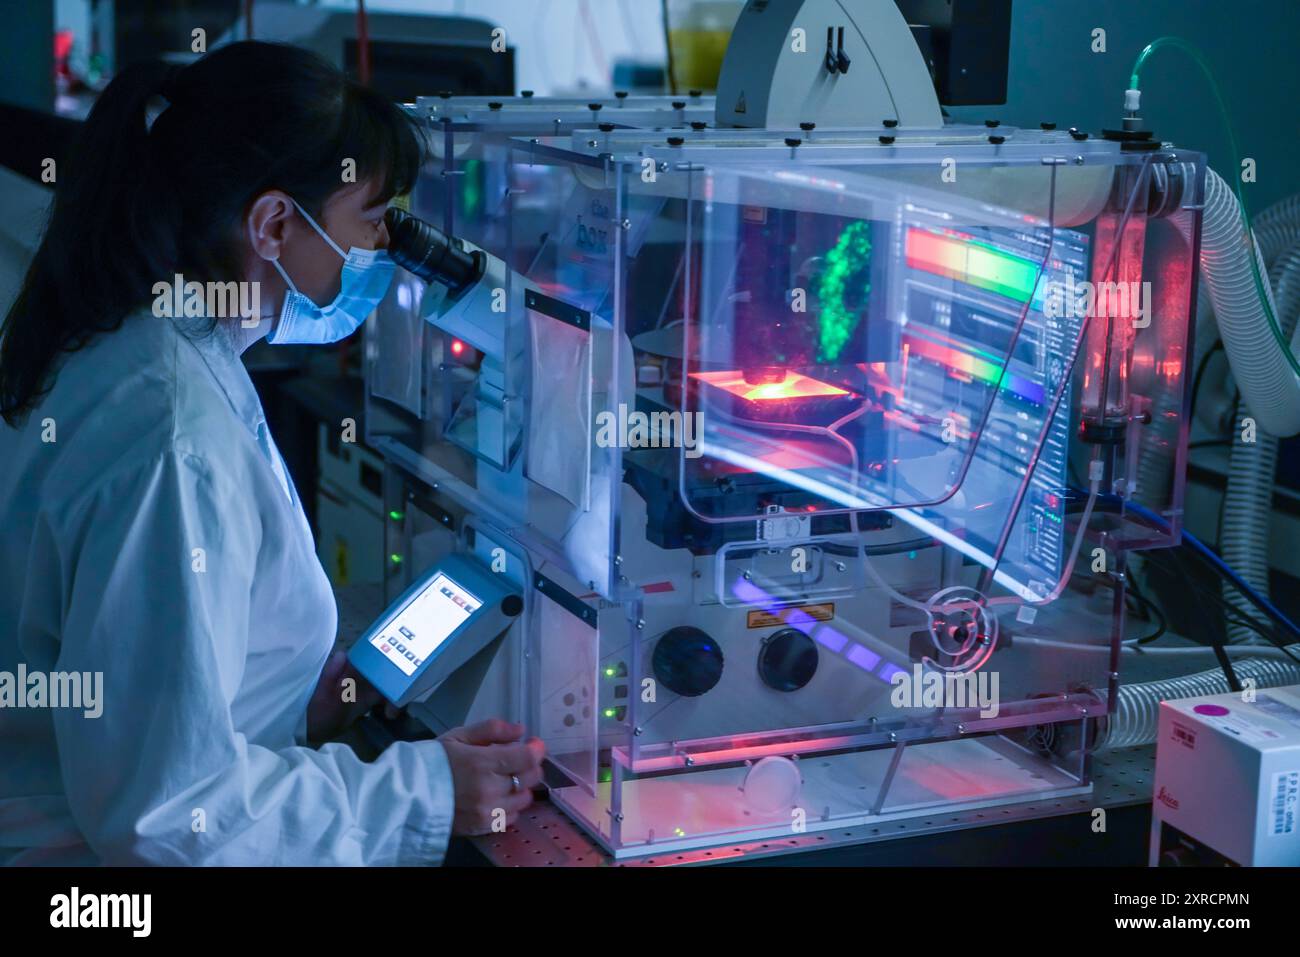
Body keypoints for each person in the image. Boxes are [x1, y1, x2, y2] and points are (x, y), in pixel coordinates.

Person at [0, 41, 544, 866]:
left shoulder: (136, 339)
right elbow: (170, 815)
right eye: (371, 220)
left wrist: (290, 699)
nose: (379, 250)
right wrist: (429, 791)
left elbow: (148, 677)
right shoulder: (175, 435)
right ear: (275, 224)